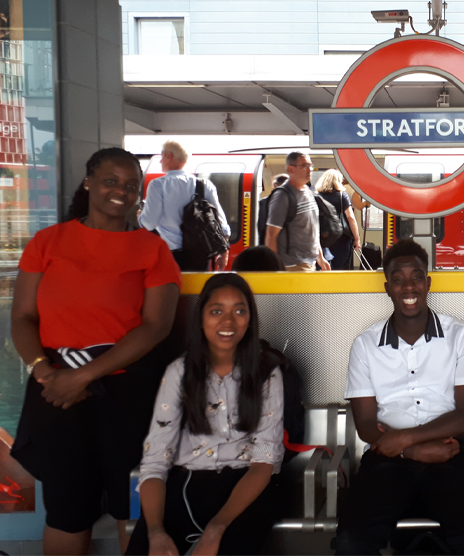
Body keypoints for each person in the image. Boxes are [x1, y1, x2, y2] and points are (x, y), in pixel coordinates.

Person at [10, 147, 181, 555]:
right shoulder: (47, 242)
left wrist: (83, 376)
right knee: (68, 510)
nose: (121, 191)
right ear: (88, 181)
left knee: (131, 508)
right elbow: (22, 318)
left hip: (126, 396)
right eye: (110, 181)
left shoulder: (152, 250)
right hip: (55, 392)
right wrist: (44, 372)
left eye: (131, 186)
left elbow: (156, 327)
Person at [331, 239, 464, 555]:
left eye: (416, 276)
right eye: (399, 278)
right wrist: (412, 452)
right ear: (387, 287)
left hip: (450, 450)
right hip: (385, 456)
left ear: (428, 282)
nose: (409, 286)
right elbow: (365, 424)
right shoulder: (365, 345)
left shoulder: (461, 335)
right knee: (352, 542)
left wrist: (405, 441)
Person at [126, 273, 285, 556]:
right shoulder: (180, 373)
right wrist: (155, 532)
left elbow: (264, 462)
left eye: (239, 311)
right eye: (216, 311)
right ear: (201, 318)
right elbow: (155, 463)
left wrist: (216, 529)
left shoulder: (266, 372)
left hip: (246, 486)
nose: (228, 322)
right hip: (186, 482)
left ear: (250, 320)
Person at [139, 140, 231, 271]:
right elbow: (220, 222)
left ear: (169, 156)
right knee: (197, 290)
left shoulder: (158, 185)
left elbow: (150, 223)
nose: (160, 161)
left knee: (173, 290)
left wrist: (140, 218)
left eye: (162, 157)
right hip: (201, 254)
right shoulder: (204, 185)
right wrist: (224, 252)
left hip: (170, 254)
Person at [264, 152, 330, 272]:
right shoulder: (283, 196)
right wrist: (274, 268)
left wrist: (320, 257)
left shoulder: (308, 192)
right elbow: (271, 234)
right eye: (304, 166)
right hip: (292, 265)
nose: (309, 170)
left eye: (310, 165)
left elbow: (312, 228)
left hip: (309, 262)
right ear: (291, 169)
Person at [315, 169, 362, 269]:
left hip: (322, 237)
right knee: (340, 268)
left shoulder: (317, 197)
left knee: (322, 267)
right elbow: (350, 217)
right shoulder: (342, 196)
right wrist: (357, 238)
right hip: (341, 237)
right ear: (338, 181)